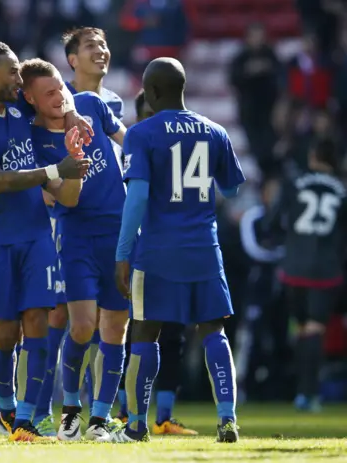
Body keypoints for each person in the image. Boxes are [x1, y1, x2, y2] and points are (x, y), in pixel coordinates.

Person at [0, 40, 91, 442]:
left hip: (34, 234)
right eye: (12, 72)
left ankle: (26, 419)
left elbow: (57, 99)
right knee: (4, 335)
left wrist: (75, 114)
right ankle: (8, 408)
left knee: (38, 323)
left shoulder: (19, 109)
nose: (18, 78)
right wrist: (53, 170)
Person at [115, 57, 245, 443]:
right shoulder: (215, 131)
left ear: (151, 92)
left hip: (157, 249)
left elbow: (136, 198)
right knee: (214, 331)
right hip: (204, 246)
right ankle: (227, 420)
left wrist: (123, 253)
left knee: (144, 332)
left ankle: (136, 425)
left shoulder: (141, 133)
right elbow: (233, 189)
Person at [22, 58, 131, 442]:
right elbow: (65, 201)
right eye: (48, 93)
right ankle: (70, 409)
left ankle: (100, 418)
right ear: (31, 100)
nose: (60, 97)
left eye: (61, 89)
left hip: (119, 231)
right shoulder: (34, 142)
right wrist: (73, 163)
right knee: (82, 326)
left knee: (116, 327)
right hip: (77, 234)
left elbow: (128, 142)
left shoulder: (91, 104)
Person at [115, 90, 198, 436]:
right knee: (132, 330)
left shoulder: (174, 151)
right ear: (138, 117)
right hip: (139, 248)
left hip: (172, 247)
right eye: (149, 114)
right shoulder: (131, 148)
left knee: (173, 332)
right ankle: (124, 412)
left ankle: (163, 415)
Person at [265, 138, 346, 412]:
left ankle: (300, 392)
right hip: (326, 270)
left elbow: (273, 222)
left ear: (313, 155)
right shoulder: (343, 190)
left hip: (294, 268)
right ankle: (309, 394)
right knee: (315, 329)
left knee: (300, 329)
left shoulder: (293, 182)